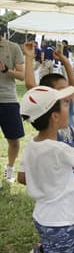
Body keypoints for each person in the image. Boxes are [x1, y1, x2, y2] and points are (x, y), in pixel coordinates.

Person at [17, 85, 74, 252]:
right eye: (65, 104)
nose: (69, 105)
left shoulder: (31, 146)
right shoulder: (58, 149)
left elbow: (22, 177)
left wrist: (44, 178)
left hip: (42, 218)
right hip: (64, 221)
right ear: (55, 116)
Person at [24, 41, 74, 190]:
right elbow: (31, 86)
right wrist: (29, 58)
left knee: (73, 195)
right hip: (55, 172)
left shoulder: (67, 107)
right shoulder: (48, 110)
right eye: (62, 89)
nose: (67, 92)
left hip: (73, 169)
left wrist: (64, 61)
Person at [0, 36, 25, 183]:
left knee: (14, 141)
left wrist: (6, 70)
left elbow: (22, 75)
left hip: (8, 100)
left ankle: (9, 168)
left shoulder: (13, 47)